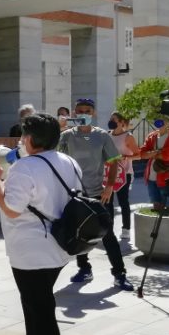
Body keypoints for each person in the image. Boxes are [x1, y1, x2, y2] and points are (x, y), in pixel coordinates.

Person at [0, 113, 78, 335]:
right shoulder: (67, 161)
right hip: (57, 247)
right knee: (33, 304)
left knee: (42, 310)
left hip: (32, 250)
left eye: (24, 136)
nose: (21, 140)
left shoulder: (27, 168)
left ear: (31, 139)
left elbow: (11, 208)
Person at [58, 97, 133, 291]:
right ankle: (84, 268)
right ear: (75, 113)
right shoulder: (66, 136)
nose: (84, 114)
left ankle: (120, 274)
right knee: (79, 233)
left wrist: (109, 186)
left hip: (100, 194)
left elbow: (115, 161)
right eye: (80, 111)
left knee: (107, 235)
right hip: (75, 194)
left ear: (94, 113)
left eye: (88, 111)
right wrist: (59, 127)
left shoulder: (102, 136)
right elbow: (55, 155)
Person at [108, 111, 139, 240]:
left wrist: (125, 157)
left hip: (124, 173)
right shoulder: (107, 135)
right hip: (109, 173)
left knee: (123, 201)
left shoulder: (128, 136)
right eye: (111, 119)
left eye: (114, 119)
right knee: (107, 201)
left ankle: (126, 229)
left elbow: (138, 154)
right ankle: (108, 228)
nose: (111, 121)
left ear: (121, 122)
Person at [139, 116, 169, 212]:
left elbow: (167, 155)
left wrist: (152, 153)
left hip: (166, 176)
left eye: (163, 121)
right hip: (151, 176)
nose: (159, 123)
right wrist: (158, 152)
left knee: (168, 206)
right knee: (156, 204)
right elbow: (142, 153)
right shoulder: (151, 136)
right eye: (158, 120)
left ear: (168, 123)